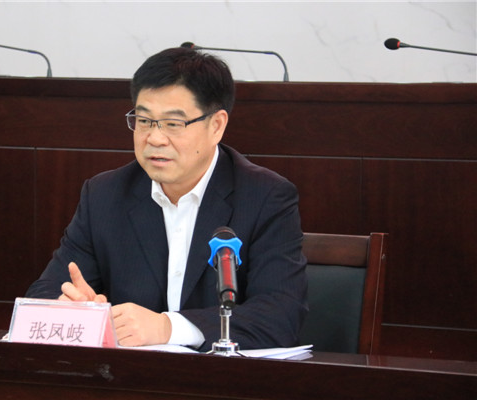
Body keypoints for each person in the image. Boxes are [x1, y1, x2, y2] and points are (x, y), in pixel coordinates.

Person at [25, 46, 308, 351]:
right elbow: (44, 295)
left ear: (216, 125)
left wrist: (168, 327)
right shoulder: (105, 195)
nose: (155, 138)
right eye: (144, 121)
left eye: (173, 124)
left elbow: (280, 316)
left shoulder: (265, 197)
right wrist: (75, 309)